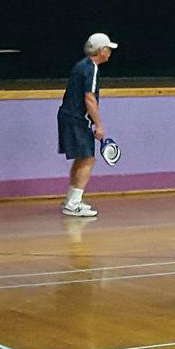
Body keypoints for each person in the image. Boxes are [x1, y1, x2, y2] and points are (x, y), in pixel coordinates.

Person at [56, 33, 116, 216]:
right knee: (88, 158)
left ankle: (71, 199)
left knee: (82, 157)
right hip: (77, 119)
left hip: (68, 116)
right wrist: (98, 125)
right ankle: (74, 203)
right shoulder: (91, 69)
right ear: (100, 51)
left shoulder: (81, 66)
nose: (110, 52)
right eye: (108, 49)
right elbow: (89, 98)